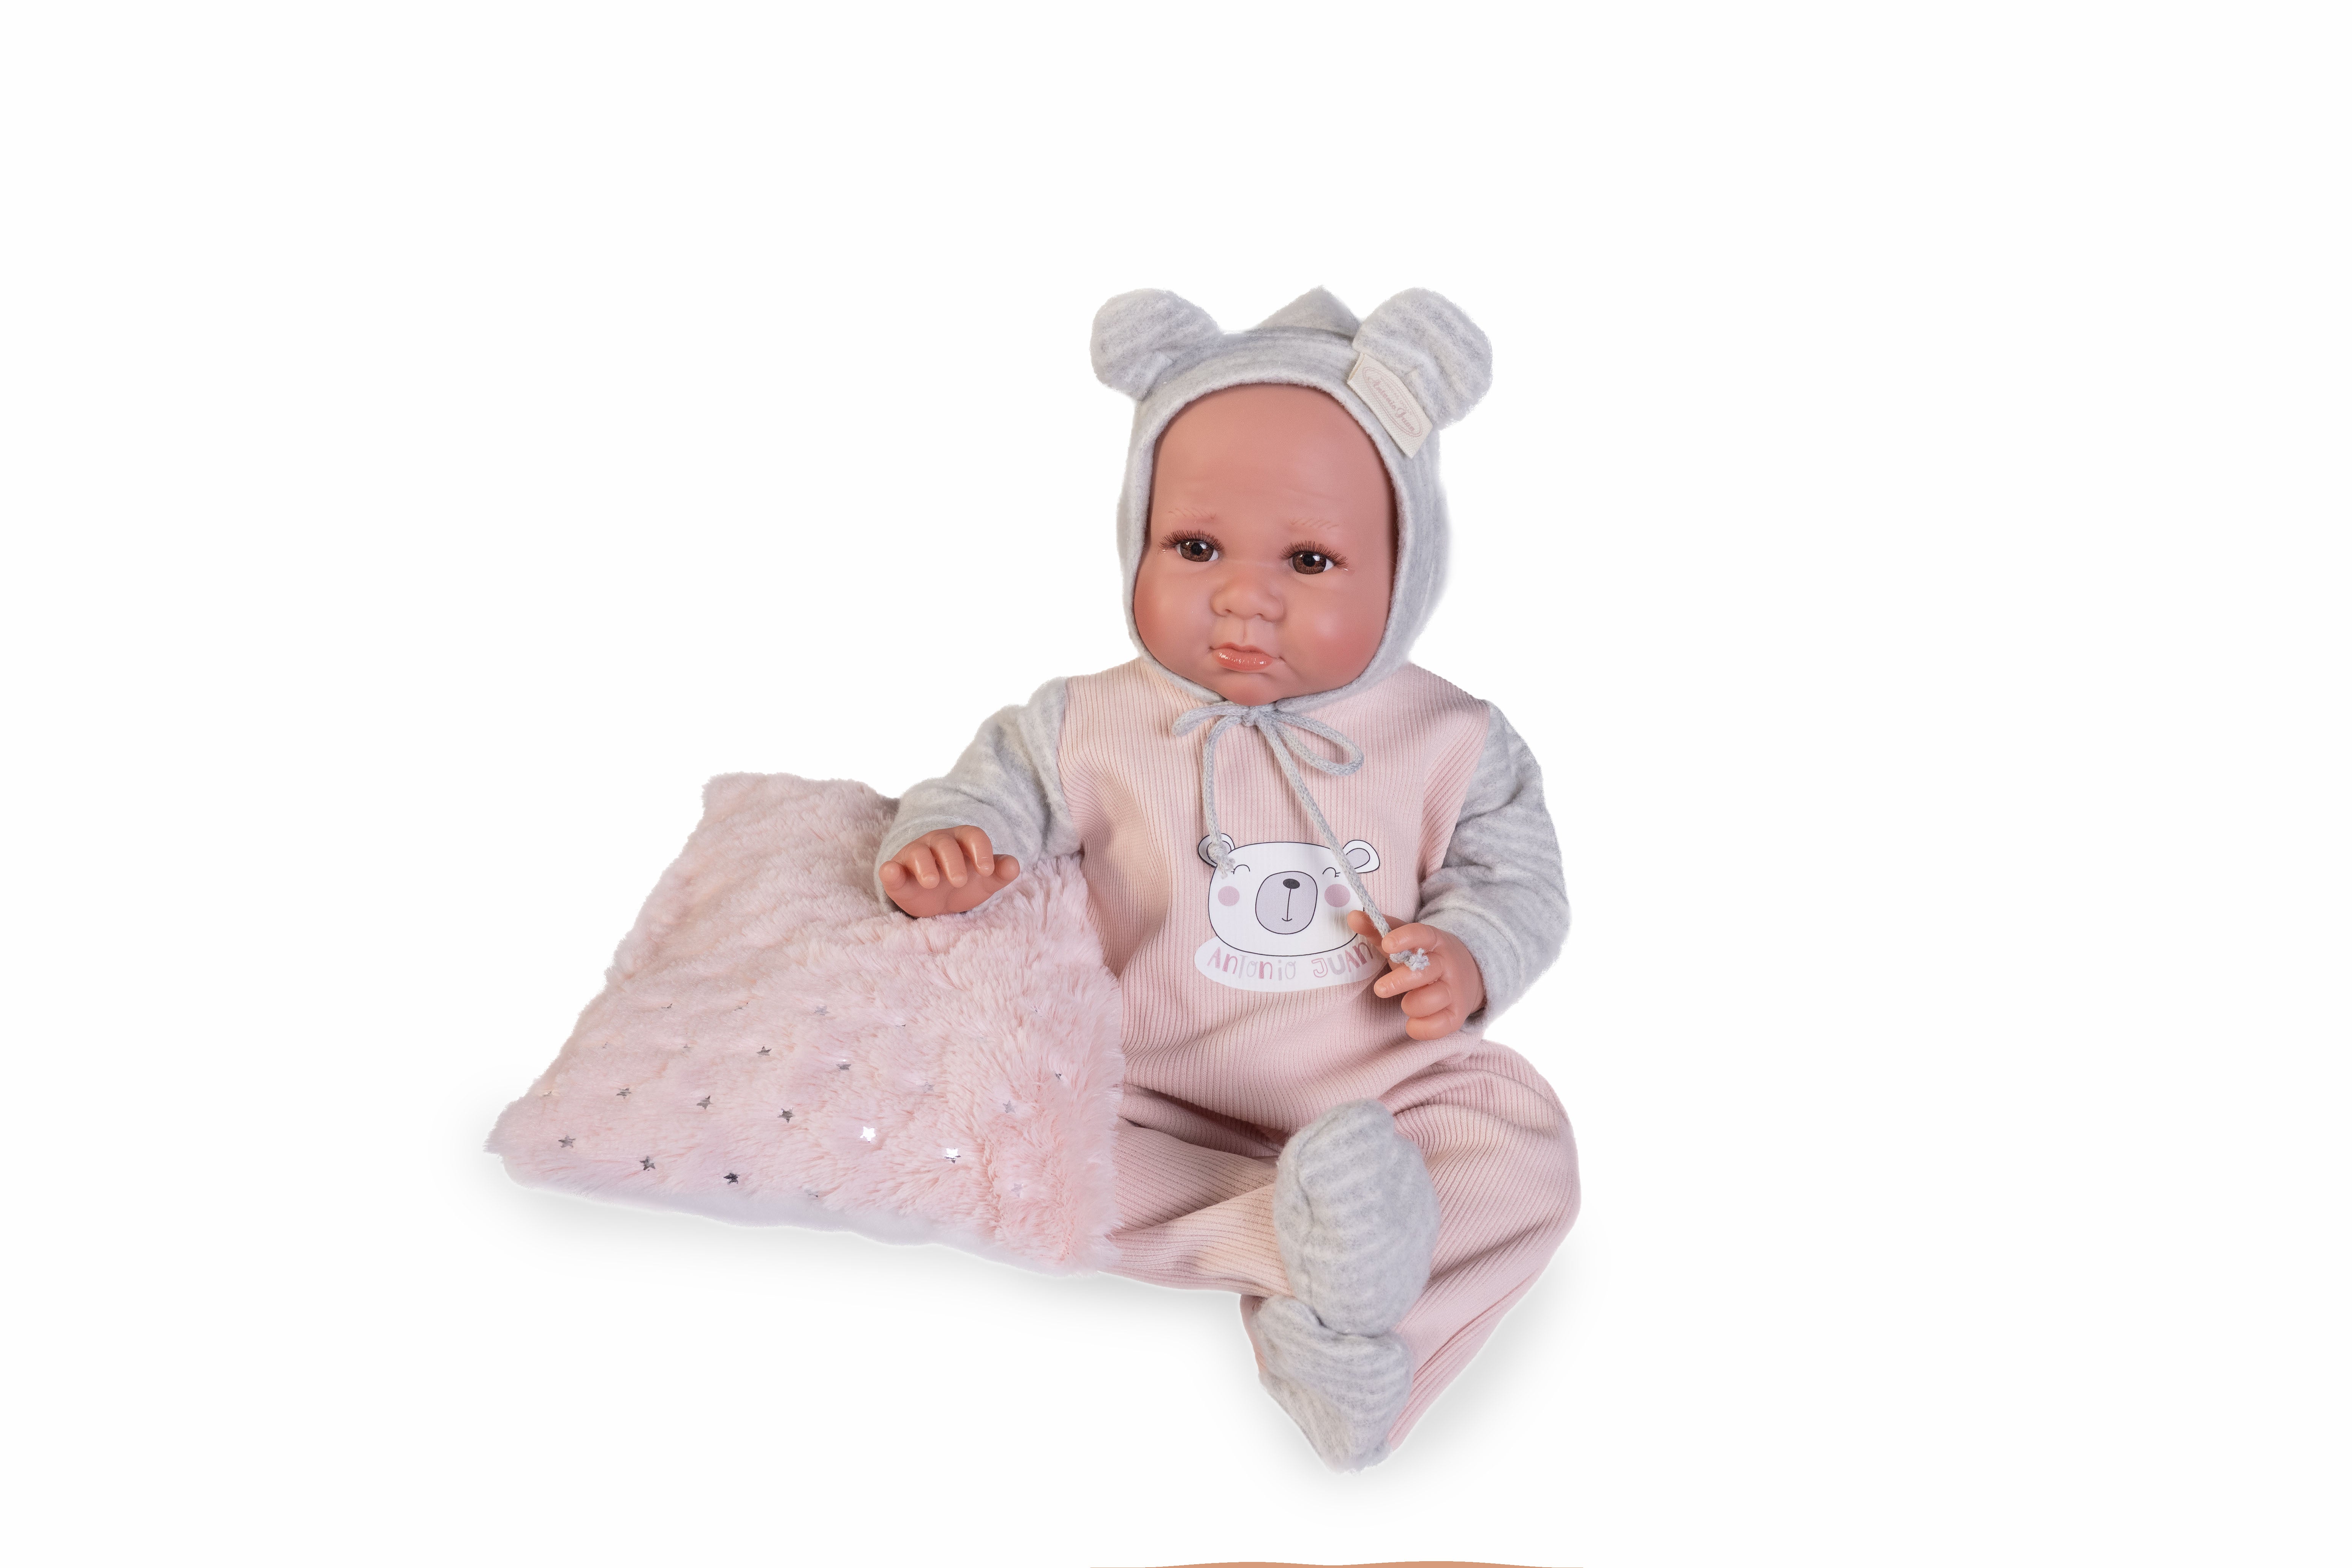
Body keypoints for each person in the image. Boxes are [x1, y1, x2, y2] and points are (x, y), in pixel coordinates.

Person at [875, 287, 1579, 1470]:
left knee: (1526, 1158)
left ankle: (1352, 1346)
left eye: (1310, 559)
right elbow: (986, 798)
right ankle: (1309, 1248)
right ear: (1136, 535)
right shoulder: (1085, 721)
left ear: (1407, 567)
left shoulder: (1451, 738)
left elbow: (1519, 881)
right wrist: (949, 845)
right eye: (1197, 548)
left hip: (1379, 1092)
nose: (1246, 596)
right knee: (1000, 1143)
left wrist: (1467, 954)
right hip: (1142, 1080)